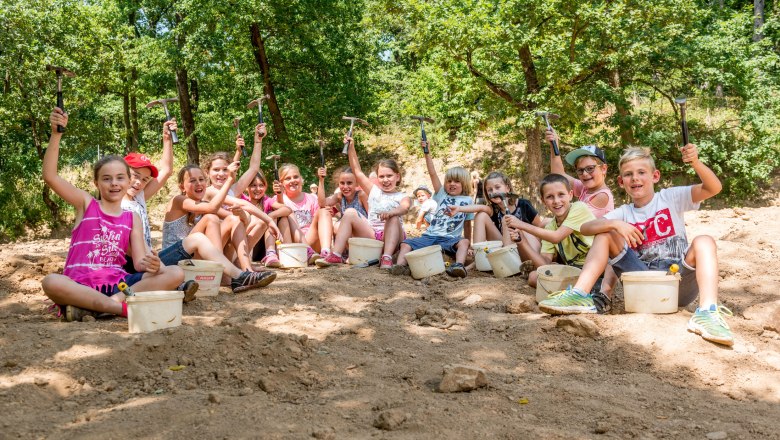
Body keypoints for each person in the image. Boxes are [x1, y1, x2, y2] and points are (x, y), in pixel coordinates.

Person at [538, 145, 734, 346]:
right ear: (621, 182)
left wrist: (695, 162)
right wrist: (614, 223)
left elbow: (713, 188)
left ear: (655, 176)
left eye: (641, 172)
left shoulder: (670, 197)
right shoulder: (624, 212)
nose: (635, 178)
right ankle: (579, 295)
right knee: (604, 233)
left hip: (677, 282)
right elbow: (586, 227)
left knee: (704, 240)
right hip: (642, 282)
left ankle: (708, 312)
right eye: (628, 175)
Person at [41, 107, 184, 322]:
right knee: (51, 282)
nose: (114, 183)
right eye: (106, 178)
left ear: (128, 181)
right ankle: (120, 308)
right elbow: (50, 176)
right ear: (96, 183)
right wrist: (56, 134)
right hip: (81, 284)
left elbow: (139, 263)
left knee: (175, 273)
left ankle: (102, 306)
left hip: (119, 285)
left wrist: (152, 265)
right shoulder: (86, 204)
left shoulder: (131, 217)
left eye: (119, 178)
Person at [162, 165, 277, 292]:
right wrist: (229, 181)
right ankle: (223, 273)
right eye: (192, 180)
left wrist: (266, 220)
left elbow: (238, 212)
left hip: (195, 258)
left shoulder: (204, 204)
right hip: (175, 261)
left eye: (201, 180)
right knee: (211, 217)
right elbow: (212, 209)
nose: (198, 183)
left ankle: (246, 272)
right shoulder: (179, 200)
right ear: (182, 187)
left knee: (233, 219)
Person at [390, 140, 474, 277]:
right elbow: (433, 173)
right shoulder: (441, 194)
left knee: (464, 242)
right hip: (430, 236)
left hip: (450, 239)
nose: (452, 184)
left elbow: (467, 224)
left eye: (457, 181)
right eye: (449, 181)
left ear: (464, 184)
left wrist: (469, 243)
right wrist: (427, 153)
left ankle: (458, 266)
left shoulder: (468, 201)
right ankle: (400, 266)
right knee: (406, 243)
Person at [503, 174, 596, 288]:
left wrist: (521, 224)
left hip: (593, 268)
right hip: (574, 270)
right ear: (543, 201)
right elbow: (544, 265)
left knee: (540, 277)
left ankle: (583, 287)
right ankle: (574, 288)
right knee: (533, 277)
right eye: (550, 197)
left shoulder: (579, 208)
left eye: (561, 194)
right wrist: (522, 241)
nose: (556, 201)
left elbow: (556, 237)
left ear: (570, 195)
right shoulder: (550, 227)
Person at [346, 135, 411, 269]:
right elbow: (357, 172)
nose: (385, 180)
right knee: (350, 213)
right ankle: (337, 252)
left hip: (393, 237)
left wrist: (391, 212)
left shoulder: (402, 196)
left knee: (393, 218)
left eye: (389, 176)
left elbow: (404, 208)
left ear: (397, 177)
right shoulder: (374, 191)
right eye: (381, 176)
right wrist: (351, 148)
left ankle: (386, 257)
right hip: (373, 235)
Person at [471, 171, 544, 262]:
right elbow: (479, 207)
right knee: (481, 215)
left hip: (528, 246)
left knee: (508, 220)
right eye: (490, 190)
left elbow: (540, 227)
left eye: (497, 187)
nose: (494, 192)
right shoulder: (494, 209)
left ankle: (510, 262)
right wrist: (458, 208)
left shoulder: (523, 204)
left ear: (507, 188)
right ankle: (479, 258)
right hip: (506, 246)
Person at [313, 165, 372, 267]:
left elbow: (371, 218)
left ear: (357, 183)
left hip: (363, 234)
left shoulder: (361, 195)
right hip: (348, 239)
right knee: (336, 225)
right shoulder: (340, 196)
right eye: (342, 183)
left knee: (345, 218)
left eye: (349, 183)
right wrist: (321, 180)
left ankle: (354, 253)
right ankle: (345, 254)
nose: (345, 187)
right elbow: (322, 203)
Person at [275, 163, 334, 264]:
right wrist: (279, 195)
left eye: (296, 177)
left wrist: (321, 180)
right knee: (285, 211)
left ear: (301, 179)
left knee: (324, 211)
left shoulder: (312, 198)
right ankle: (301, 254)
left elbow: (320, 221)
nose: (293, 180)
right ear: (281, 183)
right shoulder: (278, 199)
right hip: (293, 243)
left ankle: (326, 252)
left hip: (311, 240)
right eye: (288, 178)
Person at [244, 171, 292, 268]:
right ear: (246, 187)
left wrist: (270, 216)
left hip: (264, 246)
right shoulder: (243, 200)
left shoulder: (266, 201)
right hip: (249, 244)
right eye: (253, 185)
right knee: (263, 217)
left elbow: (287, 209)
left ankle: (272, 253)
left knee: (272, 215)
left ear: (265, 187)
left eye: (261, 185)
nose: (258, 189)